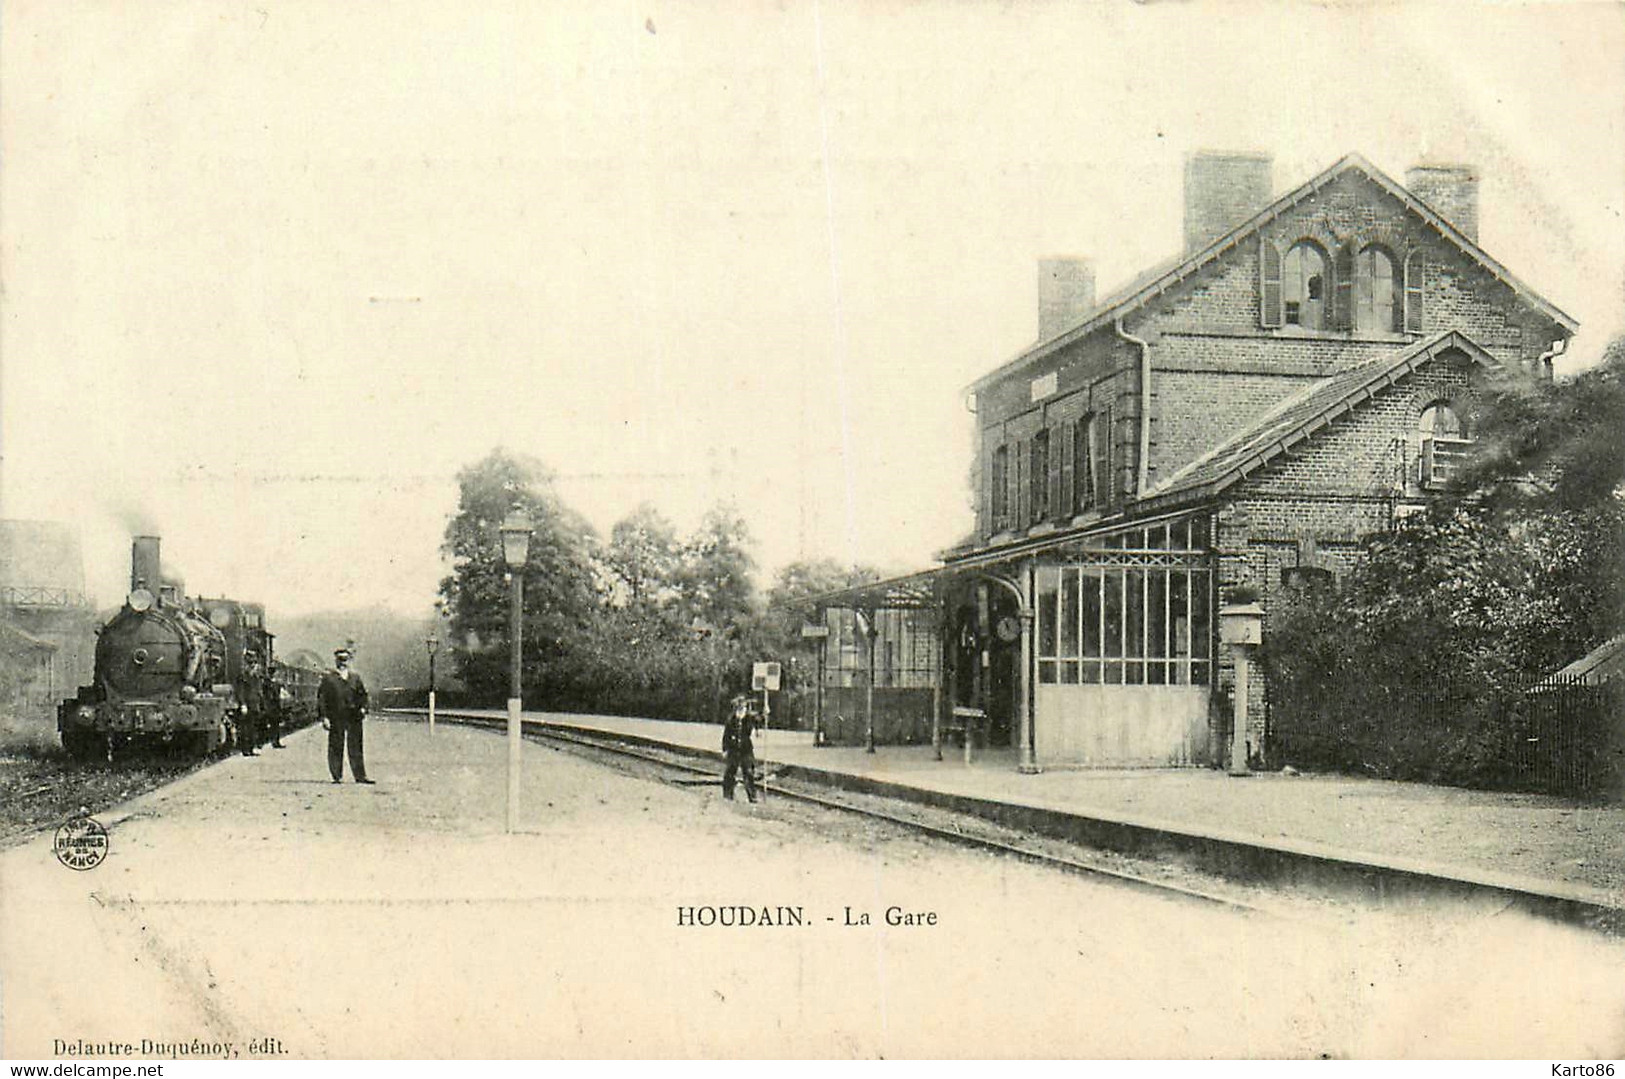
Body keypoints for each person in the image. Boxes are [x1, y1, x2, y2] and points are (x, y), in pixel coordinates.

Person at [318, 647, 372, 784]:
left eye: (345, 659)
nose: (342, 662)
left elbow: (363, 696)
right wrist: (324, 717)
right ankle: (337, 776)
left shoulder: (355, 678)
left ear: (349, 661)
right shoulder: (328, 679)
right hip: (336, 716)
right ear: (335, 660)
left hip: (354, 716)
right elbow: (322, 699)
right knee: (336, 745)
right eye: (340, 659)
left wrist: (364, 708)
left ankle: (360, 776)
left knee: (356, 746)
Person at [721, 694, 758, 803]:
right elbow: (726, 735)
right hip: (733, 749)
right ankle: (728, 794)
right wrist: (725, 749)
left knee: (749, 772)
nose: (741, 708)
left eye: (743, 705)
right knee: (730, 772)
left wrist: (766, 713)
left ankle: (752, 796)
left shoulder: (749, 717)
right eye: (739, 706)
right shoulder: (732, 718)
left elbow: (760, 720)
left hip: (746, 749)